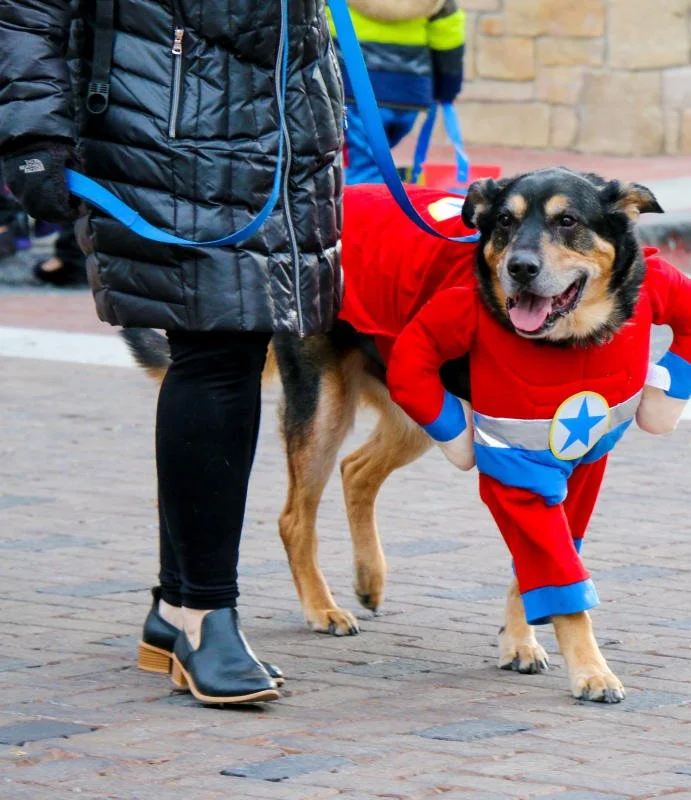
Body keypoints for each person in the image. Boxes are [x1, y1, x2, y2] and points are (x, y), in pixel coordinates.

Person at [0, 0, 344, 704]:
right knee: (217, 348)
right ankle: (201, 613)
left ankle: (175, 605)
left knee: (236, 347)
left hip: (282, 117)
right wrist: (32, 129)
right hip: (164, 115)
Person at [334, 0, 466, 185]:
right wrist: (446, 89)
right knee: (376, 160)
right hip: (408, 94)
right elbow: (448, 36)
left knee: (364, 166)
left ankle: (367, 209)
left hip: (356, 90)